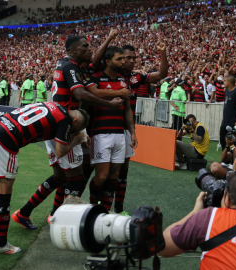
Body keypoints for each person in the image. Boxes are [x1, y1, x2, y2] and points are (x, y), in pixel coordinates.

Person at [12, 36, 125, 229]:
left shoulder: (68, 64)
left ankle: (26, 213)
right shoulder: (71, 67)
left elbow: (94, 61)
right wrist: (110, 104)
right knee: (76, 178)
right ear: (73, 50)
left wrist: (109, 38)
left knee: (60, 177)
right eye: (85, 46)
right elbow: (81, 95)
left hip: (54, 124)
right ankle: (62, 221)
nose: (90, 49)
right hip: (66, 125)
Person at [0, 102, 89, 254]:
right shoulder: (66, 120)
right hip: (4, 139)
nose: (72, 132)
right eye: (74, 129)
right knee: (3, 191)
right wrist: (77, 139)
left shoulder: (53, 105)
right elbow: (61, 151)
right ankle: (0, 244)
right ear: (75, 121)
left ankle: (10, 231)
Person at [114, 41, 168, 213]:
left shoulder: (136, 78)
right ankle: (102, 205)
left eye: (133, 58)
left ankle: (119, 209)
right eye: (127, 58)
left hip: (126, 129)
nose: (131, 61)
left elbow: (162, 74)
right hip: (108, 127)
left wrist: (163, 53)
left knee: (123, 170)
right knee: (108, 172)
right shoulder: (110, 76)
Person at [88, 46, 131, 211]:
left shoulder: (123, 81)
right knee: (101, 176)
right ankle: (93, 206)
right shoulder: (96, 78)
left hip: (119, 133)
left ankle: (104, 212)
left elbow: (127, 109)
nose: (123, 61)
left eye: (123, 58)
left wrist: (132, 132)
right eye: (119, 59)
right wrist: (118, 92)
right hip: (100, 133)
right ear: (108, 61)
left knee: (114, 176)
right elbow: (92, 93)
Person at [219, 75, 236, 149]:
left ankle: (234, 158)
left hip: (233, 121)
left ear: (229, 82)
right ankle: (225, 159)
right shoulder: (227, 91)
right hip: (225, 120)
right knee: (223, 140)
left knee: (233, 141)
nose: (224, 82)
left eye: (225, 81)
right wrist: (223, 118)